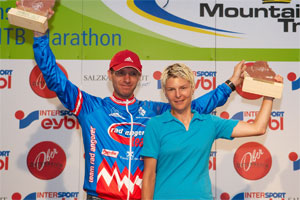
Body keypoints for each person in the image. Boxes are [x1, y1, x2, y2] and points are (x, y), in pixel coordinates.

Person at [28, 5, 245, 200]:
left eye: (133, 73)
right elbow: (55, 79)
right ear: (110, 74)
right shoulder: (91, 107)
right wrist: (40, 34)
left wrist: (231, 84)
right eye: (121, 72)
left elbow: (195, 107)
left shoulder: (154, 112)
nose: (127, 78)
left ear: (139, 77)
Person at [141, 63, 283, 200]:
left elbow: (258, 128)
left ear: (192, 88)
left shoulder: (209, 123)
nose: (178, 94)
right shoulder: (156, 125)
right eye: (172, 89)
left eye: (183, 88)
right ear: (165, 92)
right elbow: (149, 176)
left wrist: (269, 95)